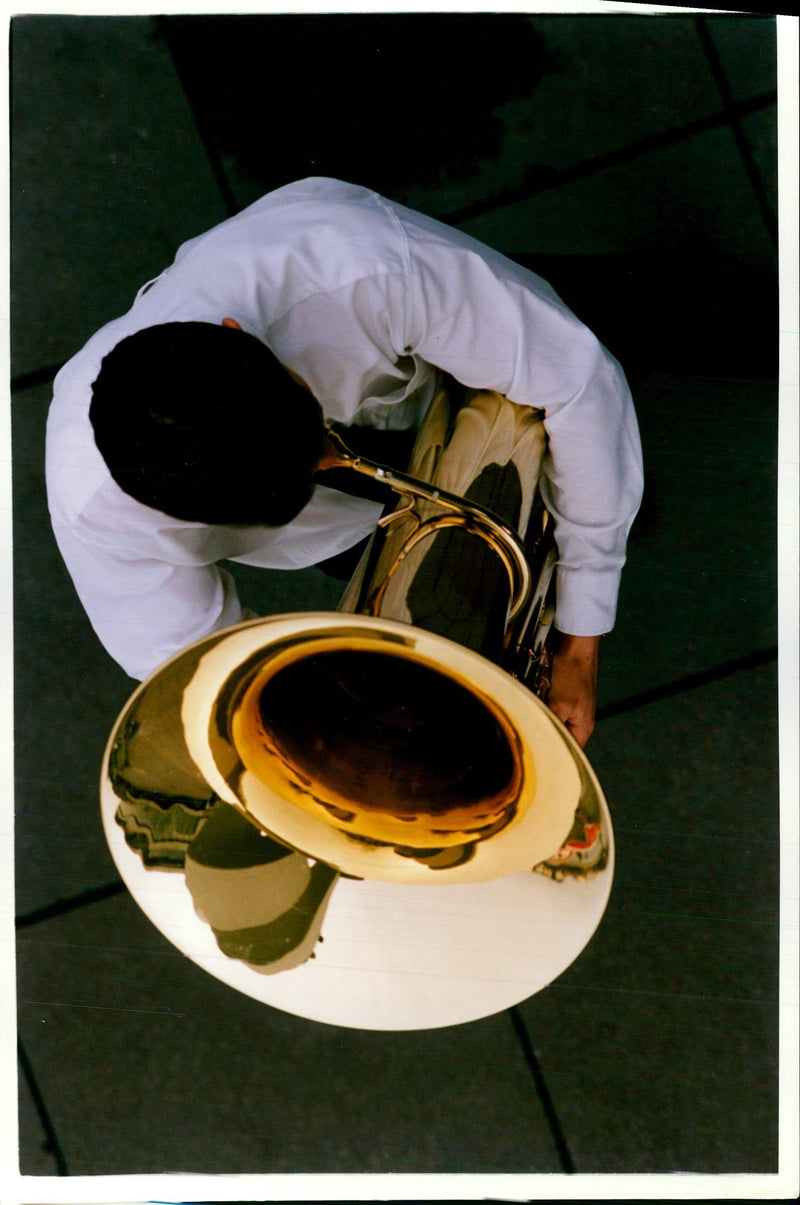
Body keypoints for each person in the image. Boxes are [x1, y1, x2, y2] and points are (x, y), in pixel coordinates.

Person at [45, 177, 643, 748]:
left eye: (311, 433)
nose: (336, 459)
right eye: (306, 477)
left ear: (239, 334)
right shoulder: (94, 508)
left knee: (619, 314)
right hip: (355, 528)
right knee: (587, 485)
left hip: (448, 356)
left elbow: (577, 378)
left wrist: (579, 644)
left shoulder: (353, 262)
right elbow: (195, 662)